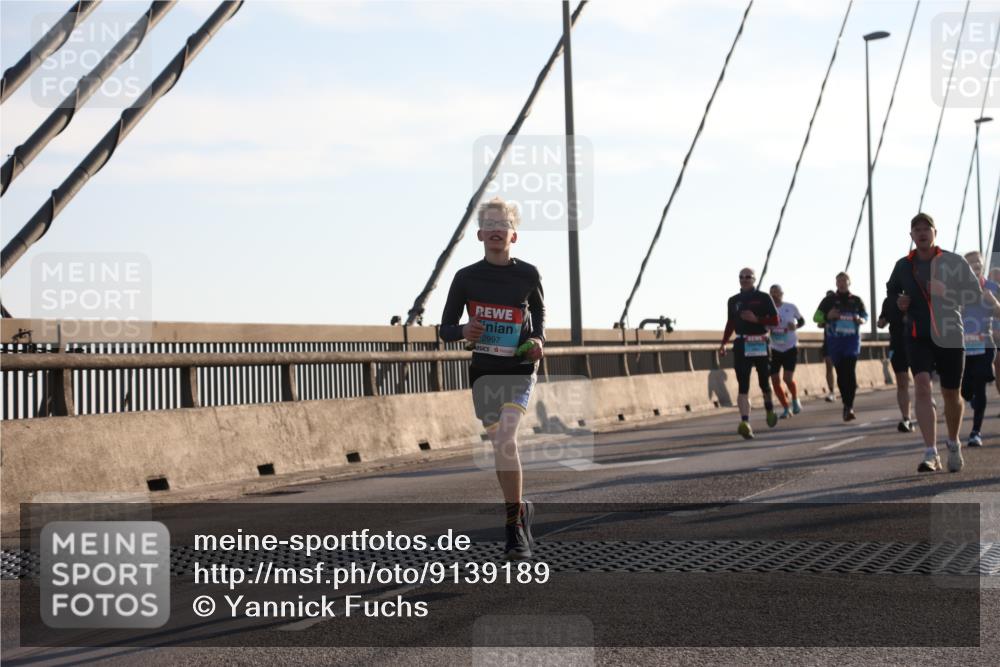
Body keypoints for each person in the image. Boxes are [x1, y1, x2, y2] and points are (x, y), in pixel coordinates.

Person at [440, 196, 545, 558]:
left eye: (505, 226)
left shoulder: (528, 274)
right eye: (491, 225)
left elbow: (541, 315)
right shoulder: (466, 278)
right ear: (480, 234)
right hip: (484, 371)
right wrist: (463, 330)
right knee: (499, 444)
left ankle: (513, 527)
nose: (498, 231)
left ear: (513, 236)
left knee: (506, 440)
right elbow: (445, 328)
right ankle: (520, 508)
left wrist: (536, 339)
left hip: (518, 369)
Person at [885, 213, 983, 473]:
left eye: (926, 228)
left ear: (935, 232)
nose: (921, 232)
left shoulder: (953, 261)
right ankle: (930, 452)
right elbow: (892, 291)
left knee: (952, 394)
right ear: (911, 236)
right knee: (922, 386)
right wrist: (899, 302)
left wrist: (947, 292)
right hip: (918, 335)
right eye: (916, 229)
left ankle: (953, 442)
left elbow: (974, 294)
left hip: (950, 334)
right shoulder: (903, 266)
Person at [719, 268, 780, 440]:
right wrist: (723, 343)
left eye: (748, 277)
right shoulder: (733, 301)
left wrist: (757, 320)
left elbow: (776, 321)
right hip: (742, 343)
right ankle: (745, 422)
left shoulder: (763, 298)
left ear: (754, 279)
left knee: (764, 382)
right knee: (743, 383)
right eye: (741, 277)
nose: (744, 280)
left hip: (760, 341)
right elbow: (730, 323)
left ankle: (769, 408)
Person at [960, 251, 1000, 446]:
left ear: (982, 265)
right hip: (963, 347)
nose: (975, 265)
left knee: (980, 384)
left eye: (978, 262)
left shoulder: (992, 287)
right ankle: (972, 400)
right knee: (965, 391)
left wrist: (994, 302)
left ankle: (976, 432)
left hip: (985, 345)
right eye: (971, 263)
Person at [814, 273, 867, 421]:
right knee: (841, 374)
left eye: (844, 280)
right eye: (839, 281)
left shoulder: (856, 300)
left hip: (852, 341)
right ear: (836, 283)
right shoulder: (829, 300)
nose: (842, 283)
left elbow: (865, 316)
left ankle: (849, 406)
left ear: (849, 282)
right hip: (835, 342)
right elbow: (816, 317)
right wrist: (827, 316)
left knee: (850, 372)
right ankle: (846, 403)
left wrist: (860, 319)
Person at [877, 294, 914, 432]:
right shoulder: (889, 300)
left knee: (922, 379)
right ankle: (906, 419)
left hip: (918, 343)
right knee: (902, 383)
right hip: (897, 345)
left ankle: (928, 403)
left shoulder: (917, 294)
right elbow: (883, 319)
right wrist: (881, 322)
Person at [768, 284, 805, 419]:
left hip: (790, 347)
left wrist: (795, 326)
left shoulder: (790, 307)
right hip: (775, 348)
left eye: (777, 292)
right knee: (775, 380)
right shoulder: (767, 310)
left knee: (787, 378)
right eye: (771, 293)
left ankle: (795, 399)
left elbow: (802, 321)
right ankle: (785, 408)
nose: (774, 295)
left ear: (782, 294)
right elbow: (763, 325)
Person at [821, 290, 837, 402]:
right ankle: (831, 391)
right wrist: (826, 319)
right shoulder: (825, 309)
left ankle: (846, 387)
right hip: (828, 341)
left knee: (843, 367)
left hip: (843, 341)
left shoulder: (841, 308)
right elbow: (819, 323)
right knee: (828, 366)